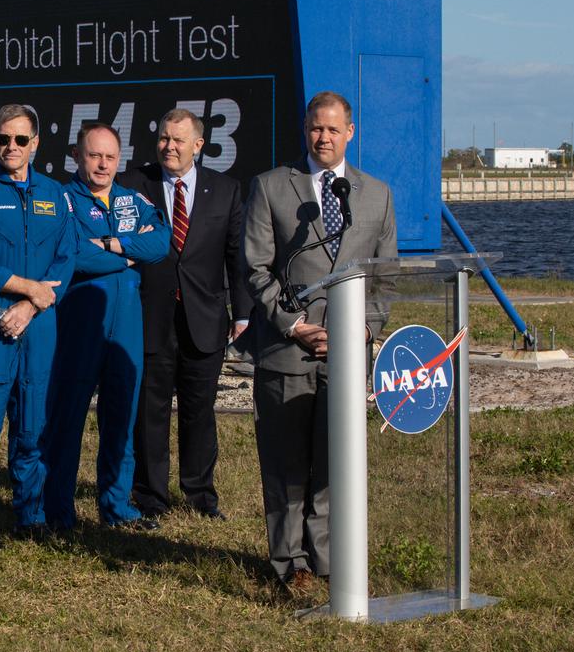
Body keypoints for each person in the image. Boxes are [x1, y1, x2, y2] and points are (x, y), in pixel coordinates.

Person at [241, 90, 397, 592]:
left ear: (350, 132)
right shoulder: (270, 188)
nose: (323, 137)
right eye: (315, 128)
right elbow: (256, 269)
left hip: (347, 356)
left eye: (332, 129)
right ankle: (289, 565)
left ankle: (329, 559)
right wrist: (292, 323)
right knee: (286, 464)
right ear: (305, 130)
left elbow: (386, 278)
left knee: (334, 462)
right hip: (287, 349)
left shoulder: (377, 195)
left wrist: (361, 331)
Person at [0, 104, 77, 549]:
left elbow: (65, 257)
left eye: (21, 139)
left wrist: (32, 306)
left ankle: (31, 514)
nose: (11, 147)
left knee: (34, 425)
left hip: (39, 325)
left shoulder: (55, 194)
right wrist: (26, 291)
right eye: (4, 138)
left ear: (36, 143)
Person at [118, 109, 252, 522]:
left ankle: (199, 494)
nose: (168, 147)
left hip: (205, 318)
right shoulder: (132, 184)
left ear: (198, 145)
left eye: (178, 140)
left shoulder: (226, 190)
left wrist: (242, 312)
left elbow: (237, 255)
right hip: (149, 315)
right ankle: (150, 496)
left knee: (199, 410)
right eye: (163, 138)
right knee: (149, 411)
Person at [42, 122, 168, 533]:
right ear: (76, 156)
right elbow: (74, 253)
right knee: (67, 417)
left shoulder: (133, 200)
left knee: (122, 414)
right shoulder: (61, 199)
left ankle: (116, 505)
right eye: (94, 155)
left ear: (120, 160)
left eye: (110, 157)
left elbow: (162, 243)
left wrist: (112, 245)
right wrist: (130, 255)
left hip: (126, 322)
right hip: (79, 321)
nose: (102, 164)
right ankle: (58, 508)